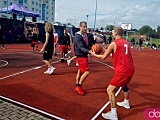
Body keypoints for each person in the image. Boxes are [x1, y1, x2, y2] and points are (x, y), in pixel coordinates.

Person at [90, 27, 135, 119]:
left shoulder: (114, 43)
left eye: (113, 32)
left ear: (116, 33)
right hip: (130, 68)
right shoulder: (126, 43)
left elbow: (103, 57)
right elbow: (118, 53)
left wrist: (94, 54)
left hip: (123, 70)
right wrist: (108, 51)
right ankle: (126, 102)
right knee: (124, 84)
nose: (112, 33)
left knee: (110, 90)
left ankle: (113, 114)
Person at [73, 21, 91, 95]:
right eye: (84, 27)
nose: (85, 28)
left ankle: (76, 85)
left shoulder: (85, 35)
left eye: (86, 26)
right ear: (80, 27)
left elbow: (86, 45)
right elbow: (80, 47)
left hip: (83, 55)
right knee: (87, 72)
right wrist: (88, 51)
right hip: (81, 56)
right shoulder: (77, 36)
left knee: (79, 71)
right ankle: (79, 86)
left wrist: (89, 50)